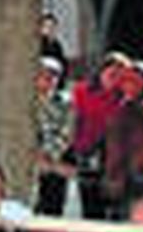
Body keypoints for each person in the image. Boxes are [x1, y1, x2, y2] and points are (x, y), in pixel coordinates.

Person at [71, 53, 130, 220]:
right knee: (91, 205)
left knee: (115, 207)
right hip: (87, 151)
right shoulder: (82, 91)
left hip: (116, 157)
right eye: (111, 74)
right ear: (101, 72)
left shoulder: (126, 96)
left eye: (120, 76)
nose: (115, 79)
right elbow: (74, 121)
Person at [102, 62, 143, 219]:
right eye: (126, 80)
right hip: (125, 175)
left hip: (132, 178)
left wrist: (119, 176)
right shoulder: (127, 104)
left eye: (133, 81)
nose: (127, 85)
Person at [34, 57, 76, 216]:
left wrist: (49, 155)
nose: (48, 80)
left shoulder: (65, 102)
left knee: (53, 209)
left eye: (53, 76)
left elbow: (67, 132)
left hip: (56, 163)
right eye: (43, 75)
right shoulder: (24, 101)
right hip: (28, 163)